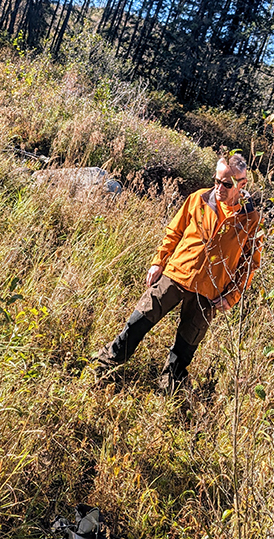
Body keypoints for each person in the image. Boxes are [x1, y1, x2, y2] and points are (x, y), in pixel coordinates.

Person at [95, 154, 262, 393]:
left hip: (209, 291)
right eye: (217, 181)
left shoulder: (251, 218)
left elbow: (250, 264)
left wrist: (231, 297)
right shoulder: (198, 199)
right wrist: (158, 262)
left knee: (184, 349)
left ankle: (167, 395)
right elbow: (174, 232)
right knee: (137, 323)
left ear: (242, 184)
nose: (219, 188)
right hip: (176, 274)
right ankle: (104, 369)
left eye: (227, 184)